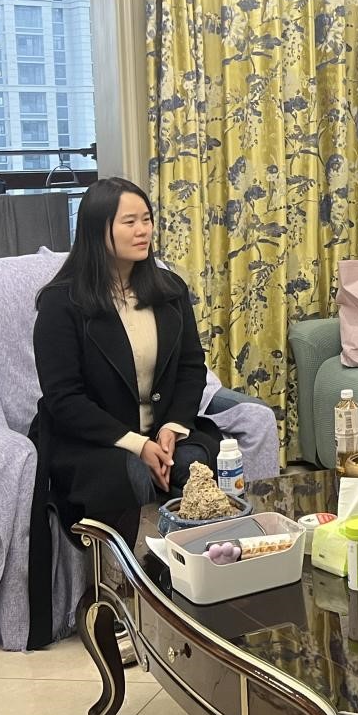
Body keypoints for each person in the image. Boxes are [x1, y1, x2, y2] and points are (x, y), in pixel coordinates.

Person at [29, 177, 222, 552]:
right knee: (131, 472)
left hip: (161, 430)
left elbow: (190, 366)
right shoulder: (61, 303)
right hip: (91, 441)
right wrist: (138, 445)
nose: (143, 230)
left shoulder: (169, 289)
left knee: (194, 462)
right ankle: (131, 574)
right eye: (129, 222)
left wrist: (173, 427)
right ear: (96, 229)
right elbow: (63, 398)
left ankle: (203, 566)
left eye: (146, 219)